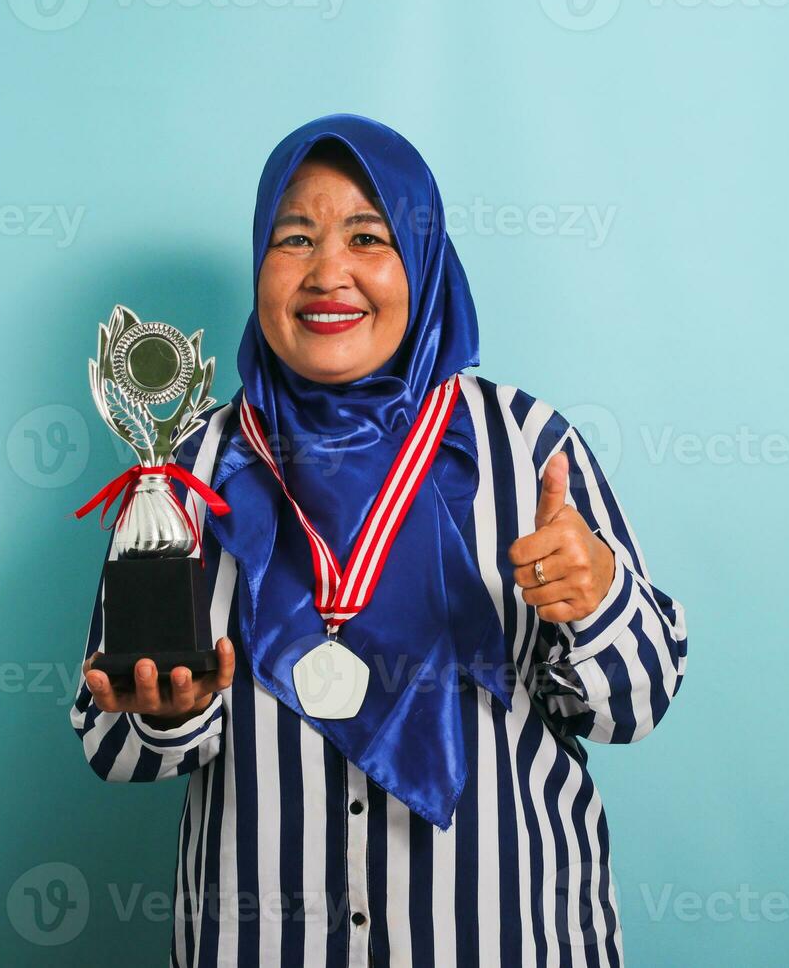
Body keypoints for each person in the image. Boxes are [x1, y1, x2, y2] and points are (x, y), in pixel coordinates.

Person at [74, 114, 688, 968]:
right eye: (294, 238)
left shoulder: (525, 448)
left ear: (424, 262)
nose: (330, 272)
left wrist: (599, 600)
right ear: (260, 262)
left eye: (370, 236)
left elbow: (636, 706)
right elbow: (109, 744)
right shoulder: (186, 470)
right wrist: (167, 717)